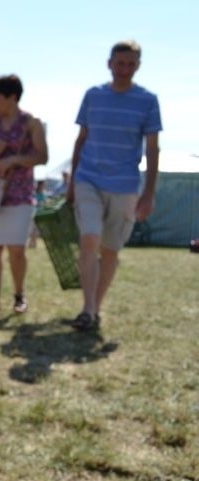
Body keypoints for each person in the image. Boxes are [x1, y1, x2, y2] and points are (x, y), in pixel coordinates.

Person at [66, 40, 161, 331]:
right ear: (109, 64)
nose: (124, 69)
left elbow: (153, 148)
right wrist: (72, 181)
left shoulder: (147, 101)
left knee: (110, 249)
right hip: (88, 177)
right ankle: (88, 308)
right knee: (89, 238)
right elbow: (81, 139)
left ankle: (95, 308)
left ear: (138, 66)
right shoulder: (93, 96)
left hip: (125, 184)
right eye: (120, 63)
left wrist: (148, 194)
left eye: (131, 64)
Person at [0, 75, 48, 320]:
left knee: (16, 249)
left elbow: (42, 157)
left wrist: (13, 159)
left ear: (12, 97)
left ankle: (19, 294)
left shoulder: (31, 123)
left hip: (20, 194)